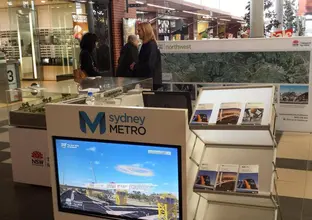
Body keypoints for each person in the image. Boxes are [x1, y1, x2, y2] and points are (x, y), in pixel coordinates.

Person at [131, 22, 162, 90]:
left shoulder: (151, 45)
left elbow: (149, 64)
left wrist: (136, 66)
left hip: (151, 82)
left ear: (145, 31)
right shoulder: (146, 45)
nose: (137, 33)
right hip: (148, 81)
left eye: (139, 30)